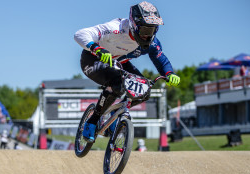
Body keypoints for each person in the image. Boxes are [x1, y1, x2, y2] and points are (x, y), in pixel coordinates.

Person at [74, 1, 180, 143]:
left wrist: (169, 74)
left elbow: (160, 59)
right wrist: (96, 48)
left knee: (144, 91)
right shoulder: (115, 28)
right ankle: (93, 121)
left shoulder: (152, 43)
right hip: (92, 59)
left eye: (152, 30)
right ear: (133, 25)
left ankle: (115, 111)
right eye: (144, 31)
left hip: (118, 62)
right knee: (116, 84)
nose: (147, 36)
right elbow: (80, 34)